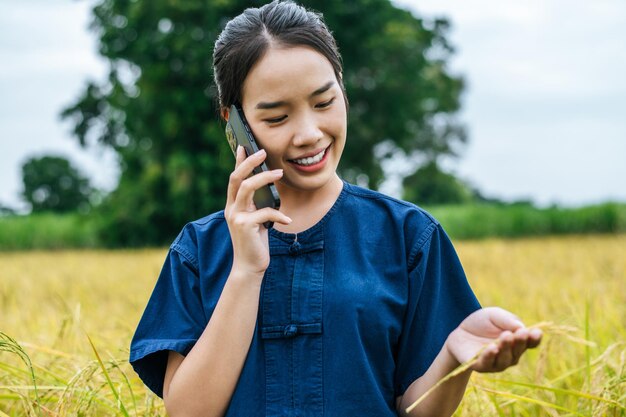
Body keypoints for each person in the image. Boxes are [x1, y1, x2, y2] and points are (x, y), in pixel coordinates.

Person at [129, 1, 542, 416]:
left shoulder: (409, 236)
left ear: (343, 92)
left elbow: (415, 411)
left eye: (324, 103)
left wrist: (454, 355)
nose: (309, 134)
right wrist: (246, 272)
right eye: (276, 118)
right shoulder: (199, 251)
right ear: (235, 125)